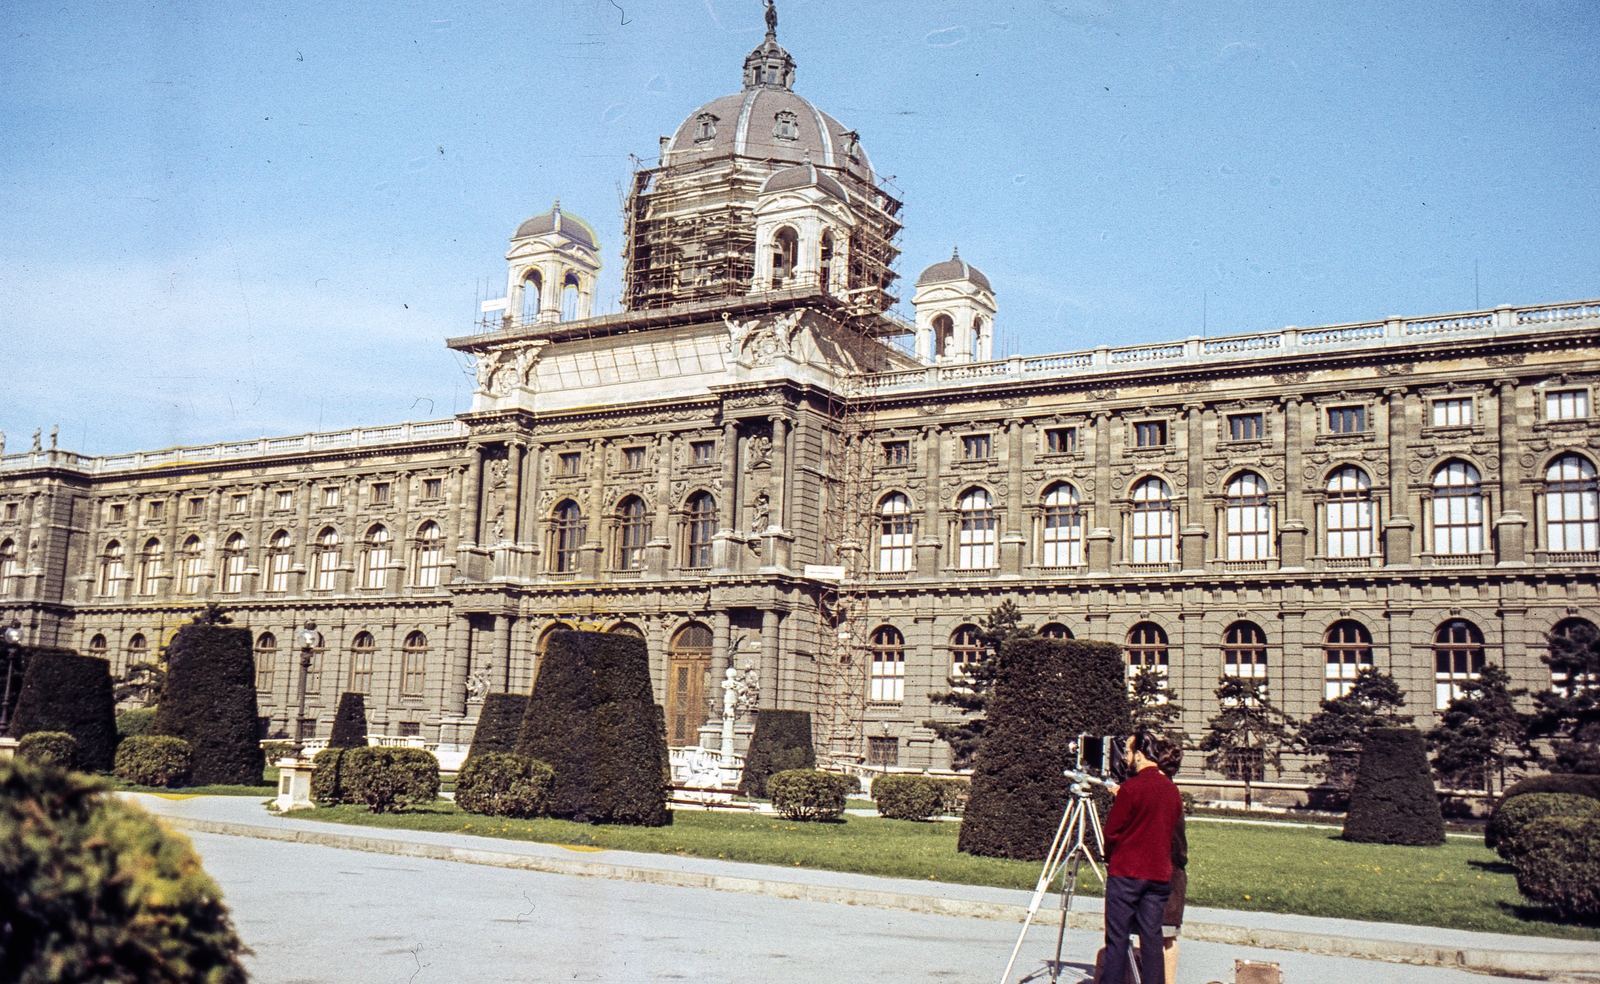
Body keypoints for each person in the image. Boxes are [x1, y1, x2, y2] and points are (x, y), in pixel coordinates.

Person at [1100, 731, 1184, 984]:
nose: (1125, 758)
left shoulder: (1132, 788)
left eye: (1127, 752)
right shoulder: (1172, 790)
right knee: (1152, 940)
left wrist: (1110, 858)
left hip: (1127, 873)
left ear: (1139, 754)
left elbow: (1112, 831)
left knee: (1117, 940)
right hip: (1158, 876)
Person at [1156, 737, 1188, 984]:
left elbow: (1177, 844)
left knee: (1163, 935)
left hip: (1166, 873)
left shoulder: (1164, 792)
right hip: (1170, 872)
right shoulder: (1170, 790)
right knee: (1167, 937)